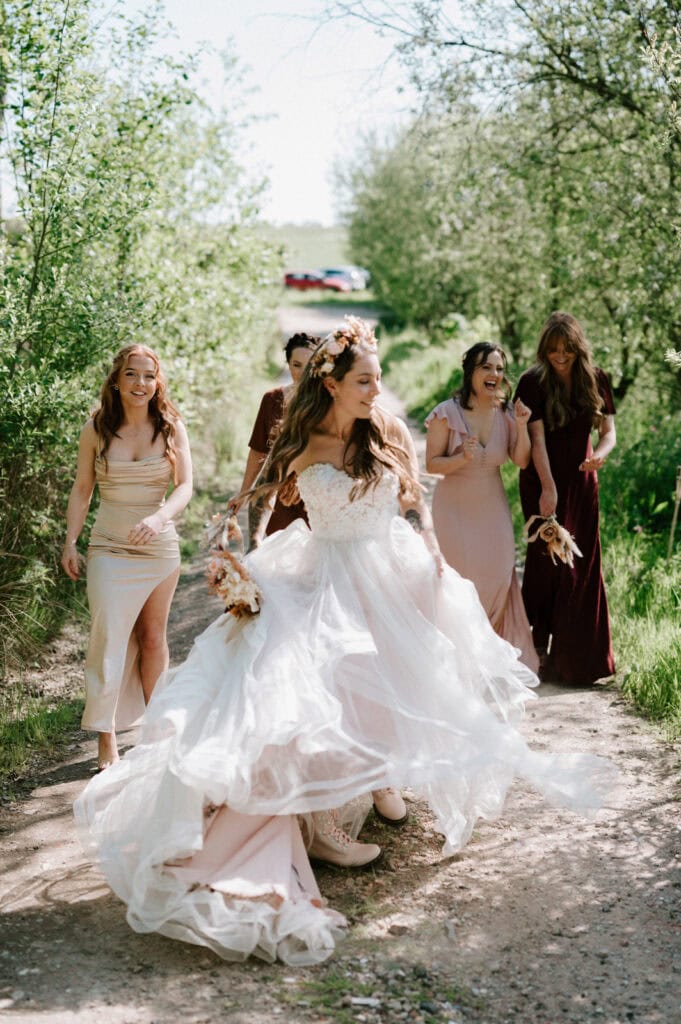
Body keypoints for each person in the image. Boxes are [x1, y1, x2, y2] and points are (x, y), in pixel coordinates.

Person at [74, 317, 614, 966]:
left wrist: (436, 561)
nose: (376, 390)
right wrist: (226, 553)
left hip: (390, 566)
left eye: (378, 379)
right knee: (309, 682)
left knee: (395, 677)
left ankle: (373, 783)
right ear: (330, 384)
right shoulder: (301, 441)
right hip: (322, 567)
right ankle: (324, 822)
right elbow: (251, 494)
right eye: (364, 381)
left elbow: (415, 501)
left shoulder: (385, 429)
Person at [61, 344, 192, 770]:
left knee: (153, 639)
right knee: (109, 641)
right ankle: (106, 736)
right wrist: (70, 541)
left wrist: (159, 518)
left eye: (149, 376)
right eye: (132, 375)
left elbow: (185, 487)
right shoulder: (96, 429)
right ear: (117, 379)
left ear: (158, 382)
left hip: (158, 547)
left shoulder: (171, 427)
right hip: (109, 548)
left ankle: (156, 729)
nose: (141, 384)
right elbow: (82, 490)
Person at [514, 311, 617, 685]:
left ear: (578, 348)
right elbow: (537, 440)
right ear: (545, 349)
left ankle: (578, 659)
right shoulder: (531, 382)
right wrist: (548, 487)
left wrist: (601, 453)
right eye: (553, 350)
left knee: (581, 567)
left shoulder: (596, 379)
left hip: (582, 483)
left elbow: (609, 431)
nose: (560, 356)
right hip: (543, 481)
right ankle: (536, 649)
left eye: (567, 350)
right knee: (545, 564)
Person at [425, 343, 538, 671]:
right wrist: (462, 457)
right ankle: (458, 657)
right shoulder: (446, 412)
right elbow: (431, 464)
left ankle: (488, 655)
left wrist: (521, 426)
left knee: (499, 572)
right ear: (470, 372)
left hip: (493, 507)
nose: (494, 375)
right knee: (461, 581)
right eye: (486, 367)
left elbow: (521, 460)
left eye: (500, 369)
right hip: (454, 510)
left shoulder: (506, 413)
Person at [227, 333, 318, 543]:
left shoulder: (329, 405)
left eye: (310, 365)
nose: (303, 372)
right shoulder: (272, 400)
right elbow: (259, 451)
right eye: (296, 364)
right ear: (288, 365)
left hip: (315, 498)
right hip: (277, 497)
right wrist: (244, 492)